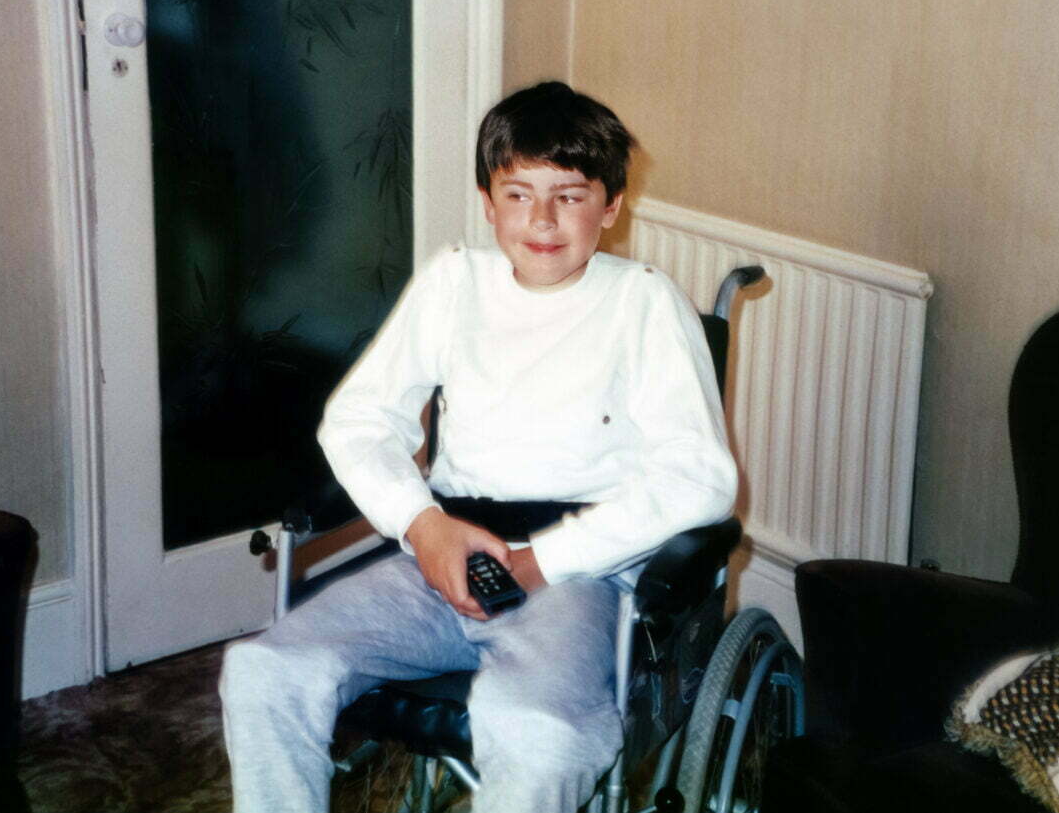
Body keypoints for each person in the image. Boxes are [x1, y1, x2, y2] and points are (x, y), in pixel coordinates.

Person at [220, 81, 738, 812]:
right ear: (488, 202)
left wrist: (539, 562)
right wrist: (422, 524)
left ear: (612, 205)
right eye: (519, 194)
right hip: (441, 554)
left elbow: (700, 478)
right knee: (263, 669)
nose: (544, 219)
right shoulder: (454, 282)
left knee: (538, 731)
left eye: (570, 194)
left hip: (573, 576)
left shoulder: (644, 303)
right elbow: (358, 419)